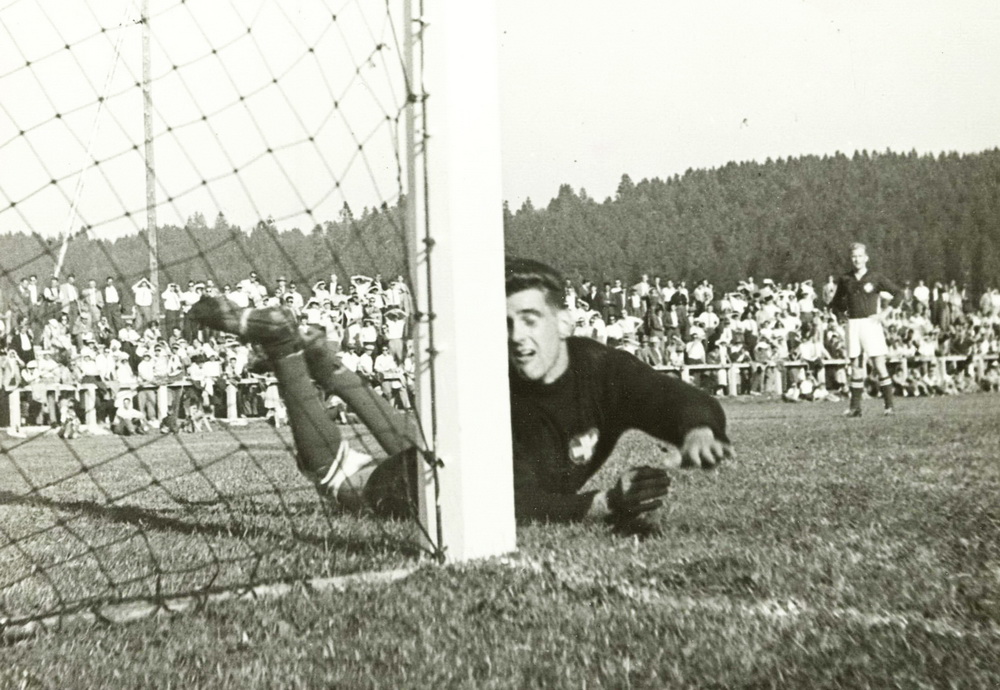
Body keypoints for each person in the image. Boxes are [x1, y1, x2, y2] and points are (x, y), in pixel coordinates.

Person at [187, 258, 731, 525]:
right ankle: (286, 347)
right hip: (419, 485)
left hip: (434, 456)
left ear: (564, 322)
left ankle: (326, 362)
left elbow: (664, 395)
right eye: (505, 323)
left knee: (413, 438)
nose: (518, 338)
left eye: (531, 319)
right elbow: (501, 501)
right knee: (339, 481)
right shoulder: (498, 387)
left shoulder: (603, 368)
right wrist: (602, 505)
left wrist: (698, 428)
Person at [829, 242, 900, 417]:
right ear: (850, 258)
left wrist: (883, 314)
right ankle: (855, 408)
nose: (857, 259)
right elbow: (835, 304)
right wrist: (841, 316)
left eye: (860, 256)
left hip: (871, 324)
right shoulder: (845, 279)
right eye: (854, 256)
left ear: (866, 258)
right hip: (853, 325)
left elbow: (898, 293)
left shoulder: (875, 277)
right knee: (855, 366)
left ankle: (889, 406)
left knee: (879, 365)